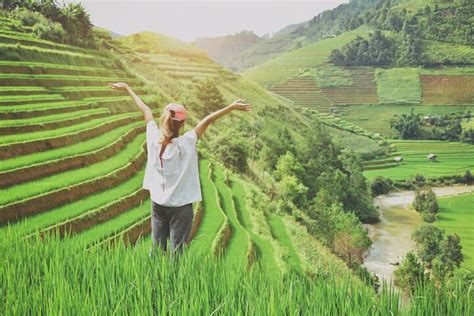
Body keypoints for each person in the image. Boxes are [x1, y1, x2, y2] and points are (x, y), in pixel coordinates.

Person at [108, 82, 251, 255]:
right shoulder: (186, 143)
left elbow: (145, 110)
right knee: (177, 254)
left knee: (157, 250)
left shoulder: (153, 137)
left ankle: (154, 280)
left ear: (163, 120)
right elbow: (208, 119)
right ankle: (172, 281)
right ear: (182, 124)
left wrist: (128, 88)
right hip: (180, 207)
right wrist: (231, 107)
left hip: (158, 204)